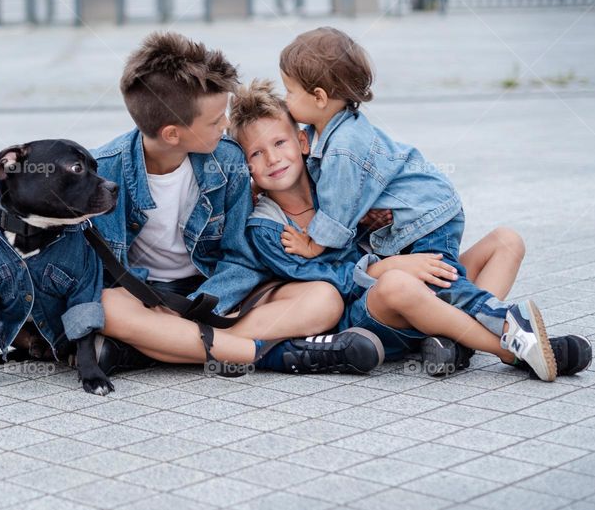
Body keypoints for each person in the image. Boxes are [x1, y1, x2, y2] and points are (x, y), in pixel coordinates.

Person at [229, 78, 592, 378]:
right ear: (246, 166)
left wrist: (380, 222)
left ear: (303, 142)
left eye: (279, 143)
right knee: (400, 283)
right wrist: (387, 265)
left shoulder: (335, 180)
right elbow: (327, 281)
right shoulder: (266, 227)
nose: (273, 158)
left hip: (409, 286)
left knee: (506, 241)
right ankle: (510, 350)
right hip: (365, 312)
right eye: (256, 154)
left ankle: (455, 346)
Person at [89, 32, 384, 377]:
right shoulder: (104, 171)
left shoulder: (226, 161)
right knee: (105, 306)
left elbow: (240, 260)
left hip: (218, 293)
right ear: (172, 134)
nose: (226, 125)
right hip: (145, 296)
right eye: (215, 122)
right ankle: (269, 354)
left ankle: (154, 349)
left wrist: (196, 310)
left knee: (323, 299)